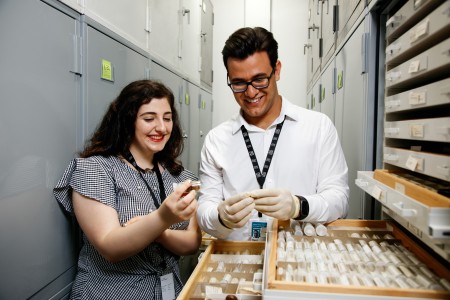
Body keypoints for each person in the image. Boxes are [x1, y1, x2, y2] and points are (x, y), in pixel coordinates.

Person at [197, 27, 349, 241]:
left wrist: (299, 206)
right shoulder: (216, 140)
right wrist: (220, 216)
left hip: (298, 259)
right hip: (239, 259)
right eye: (239, 83)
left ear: (276, 70)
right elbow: (204, 210)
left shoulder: (318, 127)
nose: (251, 92)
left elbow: (339, 200)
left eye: (259, 79)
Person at [53, 80, 201, 299]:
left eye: (167, 118)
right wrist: (162, 217)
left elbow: (192, 243)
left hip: (168, 291)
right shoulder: (96, 169)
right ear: (127, 120)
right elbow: (110, 246)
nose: (161, 127)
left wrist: (159, 232)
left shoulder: (180, 176)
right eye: (149, 118)